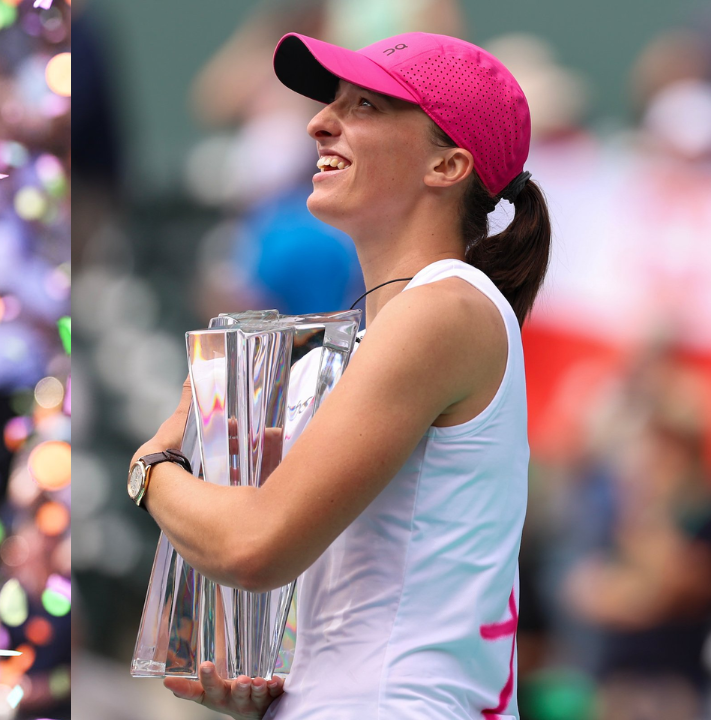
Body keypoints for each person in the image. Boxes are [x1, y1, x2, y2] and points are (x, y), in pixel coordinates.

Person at [127, 33, 551, 719]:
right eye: (334, 104)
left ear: (447, 164)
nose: (319, 122)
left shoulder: (443, 307)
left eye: (366, 108)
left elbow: (252, 545)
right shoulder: (412, 321)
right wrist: (270, 673)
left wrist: (152, 467)